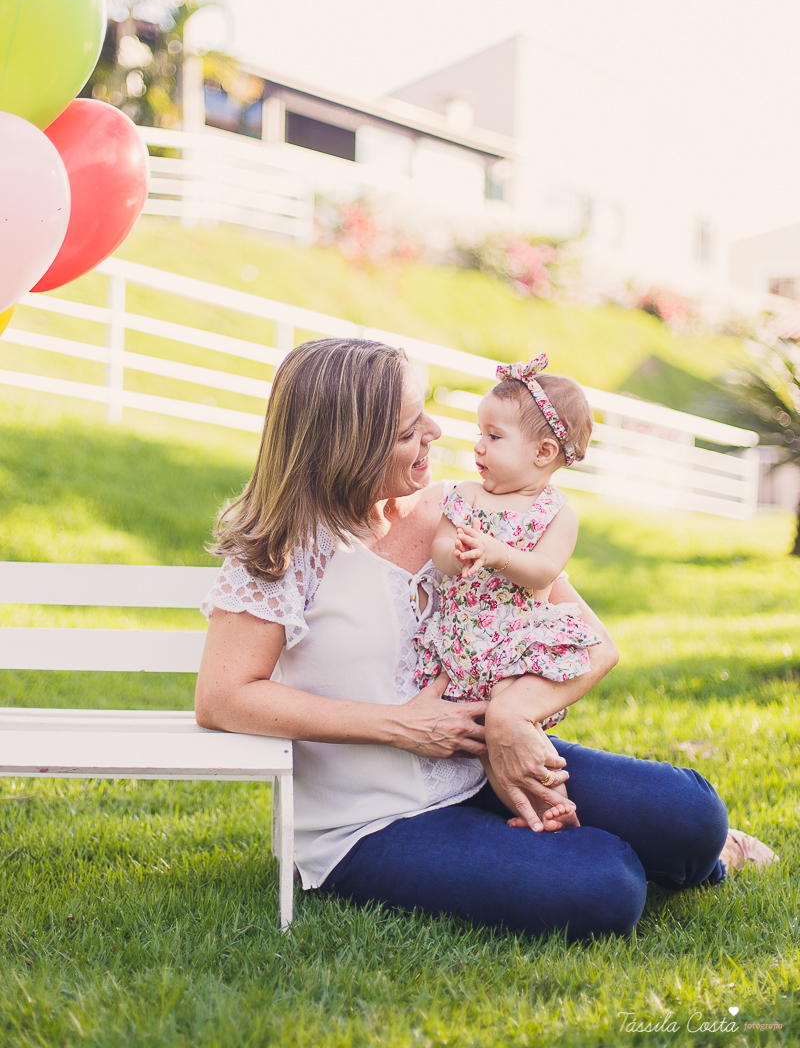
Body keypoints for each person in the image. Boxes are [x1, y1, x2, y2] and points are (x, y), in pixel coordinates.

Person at [195, 337, 768, 942]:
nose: (437, 432)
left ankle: (692, 853)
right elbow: (225, 698)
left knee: (692, 816)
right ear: (349, 446)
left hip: (480, 767)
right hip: (369, 823)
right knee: (606, 886)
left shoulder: (463, 510)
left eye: (428, 413)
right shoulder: (282, 550)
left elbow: (595, 643)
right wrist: (402, 726)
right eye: (410, 428)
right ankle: (609, 859)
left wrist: (508, 723)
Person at [413, 353, 603, 825]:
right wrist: (453, 556)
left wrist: (497, 554)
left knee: (515, 726)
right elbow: (439, 547)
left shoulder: (556, 513)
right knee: (485, 746)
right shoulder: (465, 496)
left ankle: (555, 804)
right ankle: (527, 810)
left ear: (542, 453)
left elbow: (543, 572)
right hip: (463, 639)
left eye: (494, 437)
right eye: (480, 433)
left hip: (517, 640)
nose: (478, 447)